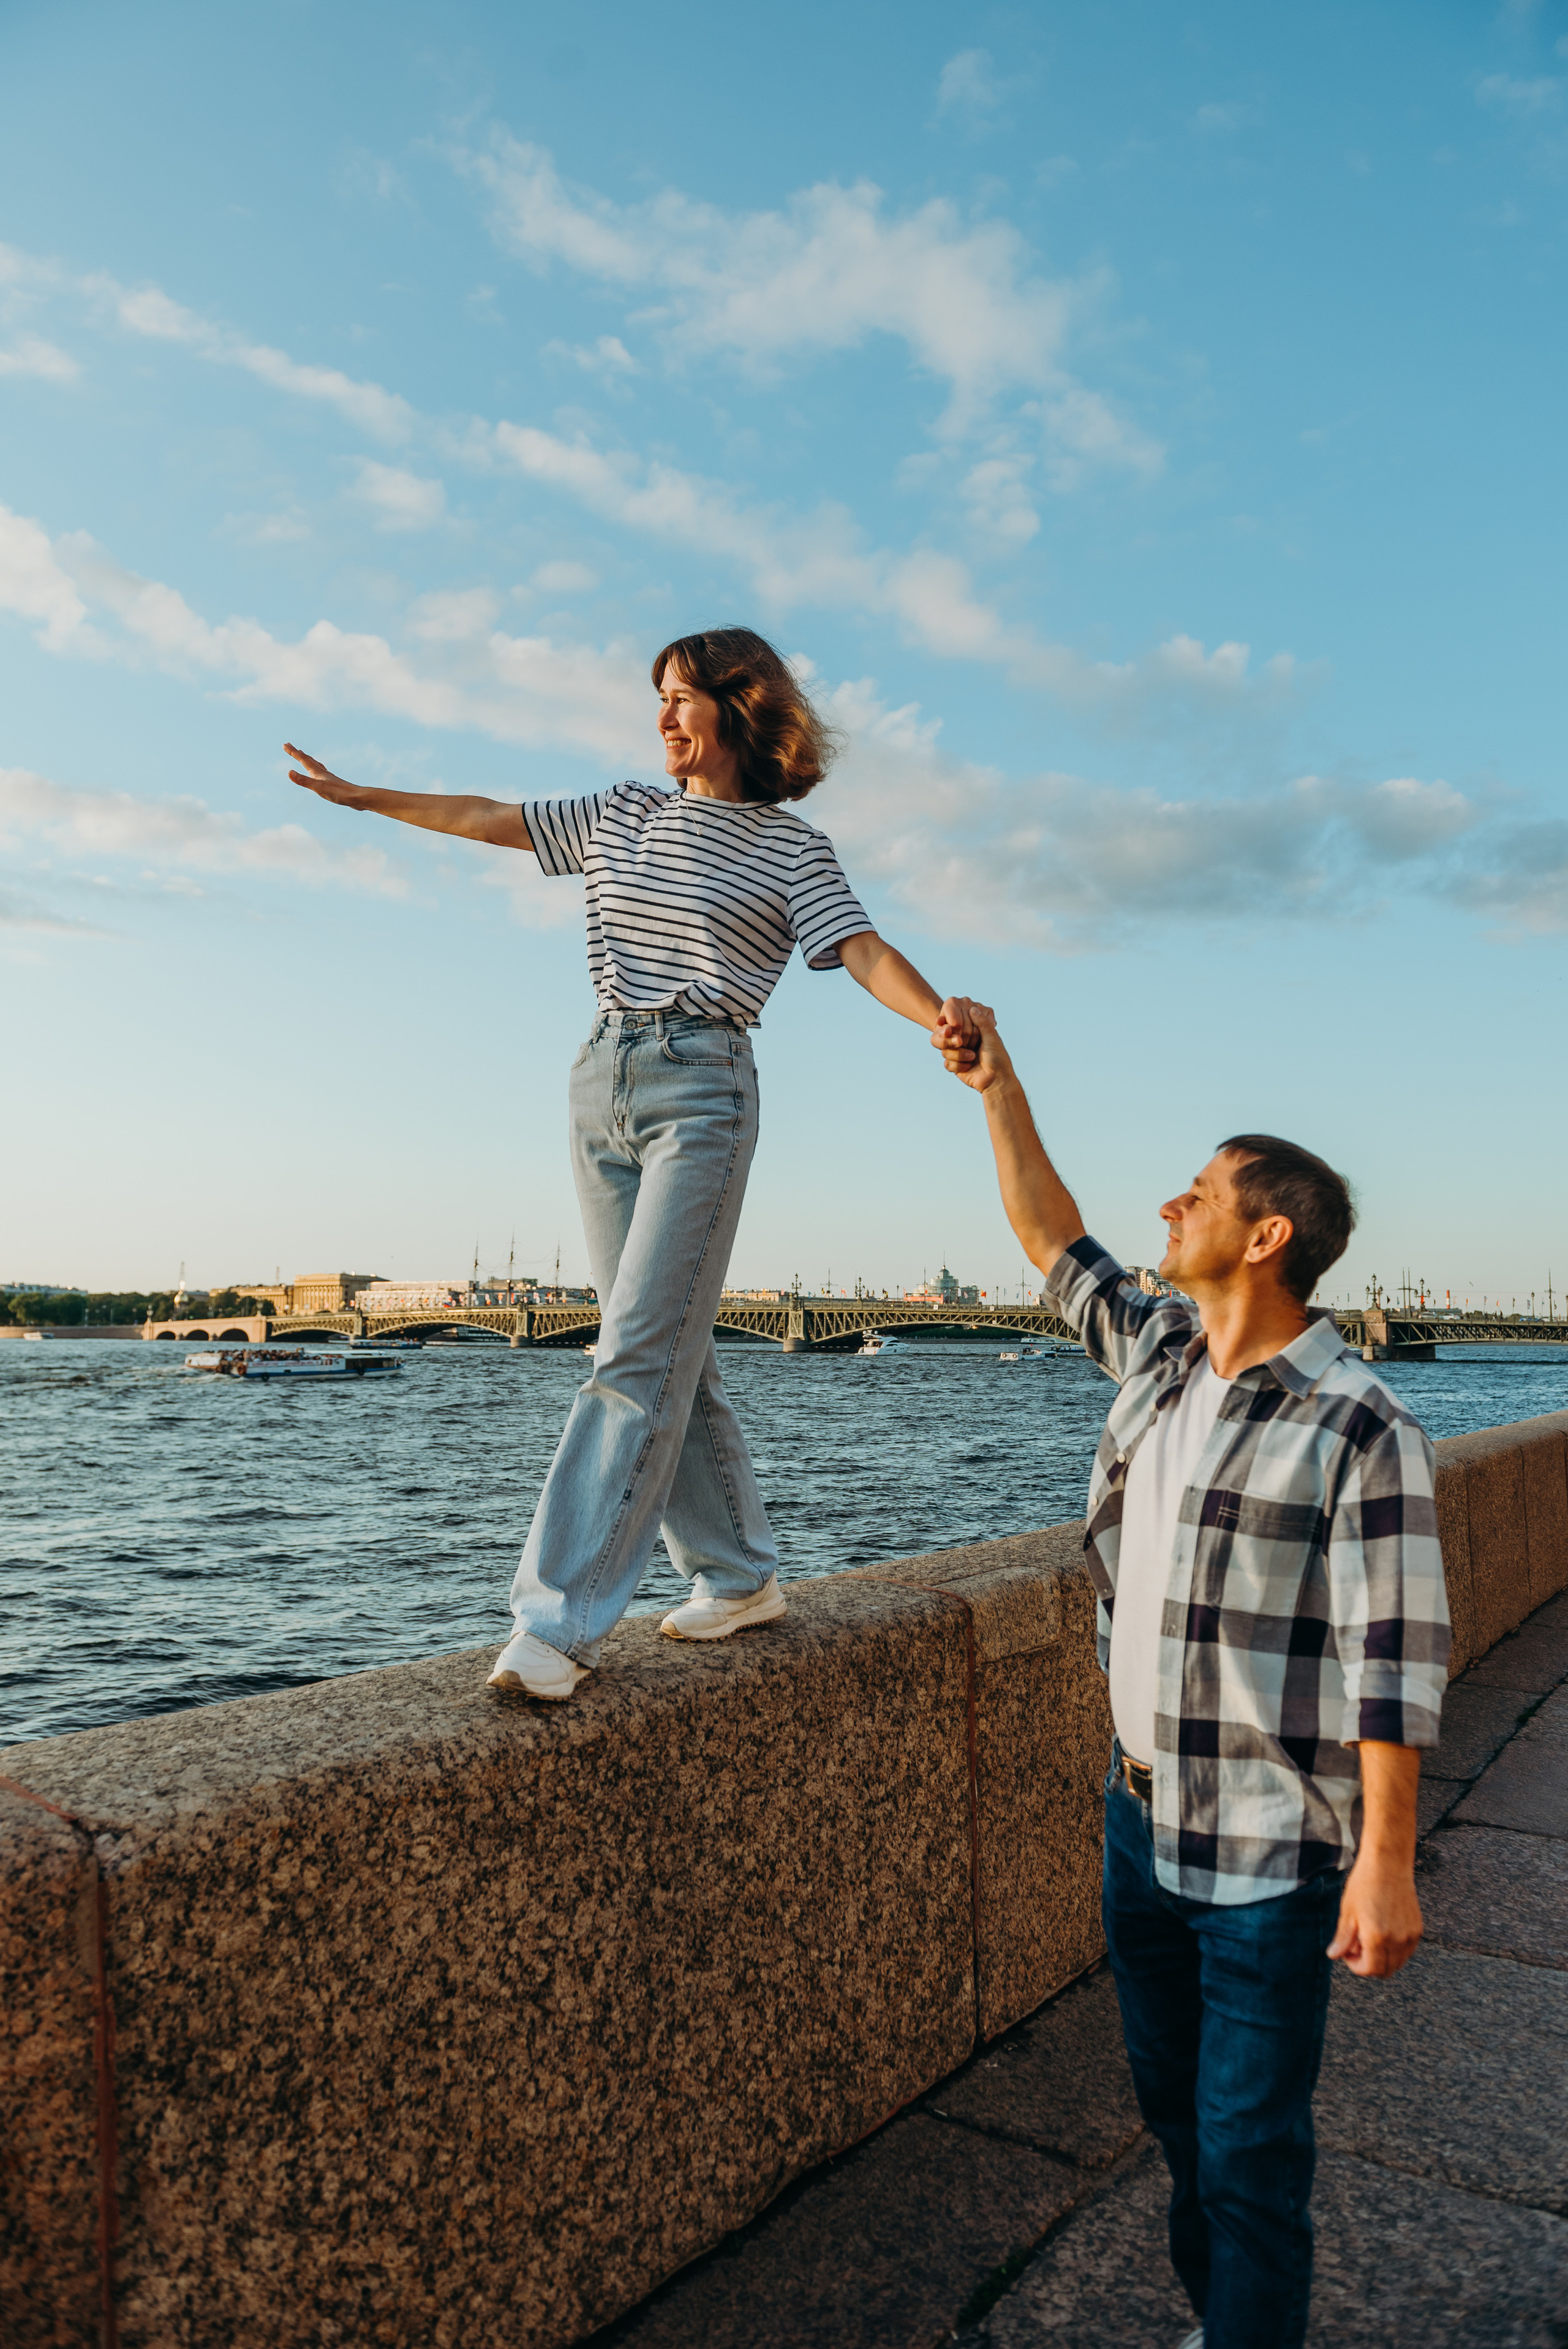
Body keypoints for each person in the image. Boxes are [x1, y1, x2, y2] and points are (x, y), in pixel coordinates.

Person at [286, 626, 976, 1701]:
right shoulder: (623, 812)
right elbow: (491, 818)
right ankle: (740, 1574)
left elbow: (862, 949)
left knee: (635, 1355)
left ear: (737, 707)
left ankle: (557, 1619)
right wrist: (371, 798)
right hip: (599, 1076)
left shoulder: (793, 848)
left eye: (680, 696)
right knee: (663, 1352)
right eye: (655, 697)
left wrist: (940, 1017)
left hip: (704, 1084)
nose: (661, 715)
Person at [935, 1003, 1448, 2349]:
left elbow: (1391, 1656)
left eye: (1201, 1191)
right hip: (1137, 1819)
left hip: (1272, 1848)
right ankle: (1223, 2324)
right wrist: (999, 1084)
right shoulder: (1160, 1360)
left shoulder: (1359, 1422)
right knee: (1173, 2121)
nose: (1170, 1204)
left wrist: (1385, 1862)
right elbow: (1056, 1241)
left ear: (1265, 1237)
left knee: (1247, 2153)